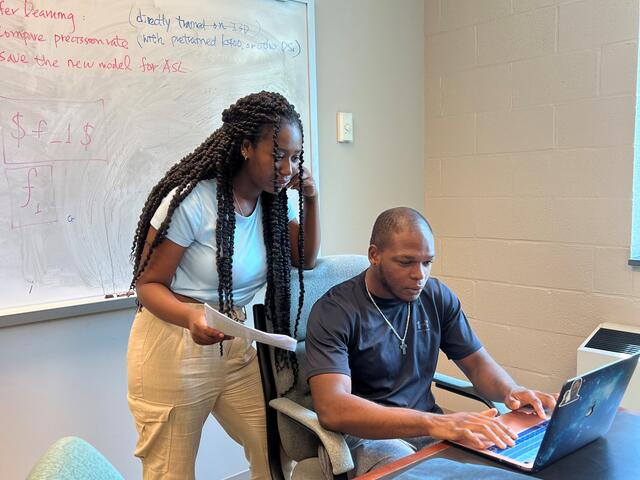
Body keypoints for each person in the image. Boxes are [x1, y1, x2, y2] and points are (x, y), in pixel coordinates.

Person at [127, 91, 320, 480]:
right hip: (174, 343)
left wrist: (311, 198)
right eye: (278, 155)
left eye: (295, 157)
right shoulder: (192, 201)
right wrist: (191, 316)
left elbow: (305, 258)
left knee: (274, 452)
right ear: (246, 147)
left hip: (234, 343)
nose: (287, 168)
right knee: (171, 472)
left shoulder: (272, 203)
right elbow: (147, 285)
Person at [305, 207, 555, 478]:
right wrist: (436, 422)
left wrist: (512, 391)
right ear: (374, 255)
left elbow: (478, 365)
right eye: (406, 262)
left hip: (428, 429)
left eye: (427, 262)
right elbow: (333, 409)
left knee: (510, 464)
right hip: (365, 437)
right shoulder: (335, 311)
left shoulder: (436, 297)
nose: (419, 275)